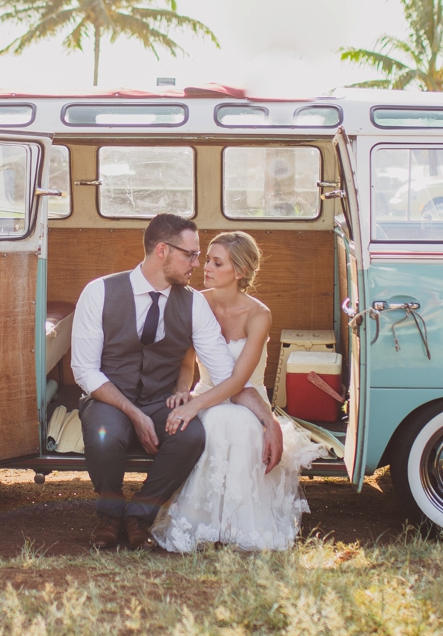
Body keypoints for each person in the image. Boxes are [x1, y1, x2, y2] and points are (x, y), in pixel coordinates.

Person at [71, 214, 284, 551]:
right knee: (106, 437)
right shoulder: (99, 292)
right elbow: (84, 370)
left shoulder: (194, 302)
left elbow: (228, 373)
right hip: (109, 397)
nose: (197, 264)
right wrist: (135, 414)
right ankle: (109, 514)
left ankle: (138, 514)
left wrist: (267, 420)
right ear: (162, 251)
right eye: (191, 255)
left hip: (161, 399)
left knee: (191, 437)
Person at [152, 231, 322, 552]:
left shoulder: (259, 315)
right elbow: (187, 362)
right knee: (215, 420)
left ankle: (240, 525)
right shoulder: (196, 302)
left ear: (239, 272)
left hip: (247, 398)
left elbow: (237, 381)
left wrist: (195, 406)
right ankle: (204, 524)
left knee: (237, 423)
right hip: (206, 392)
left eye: (217, 263)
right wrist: (182, 392)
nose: (206, 267)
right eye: (208, 260)